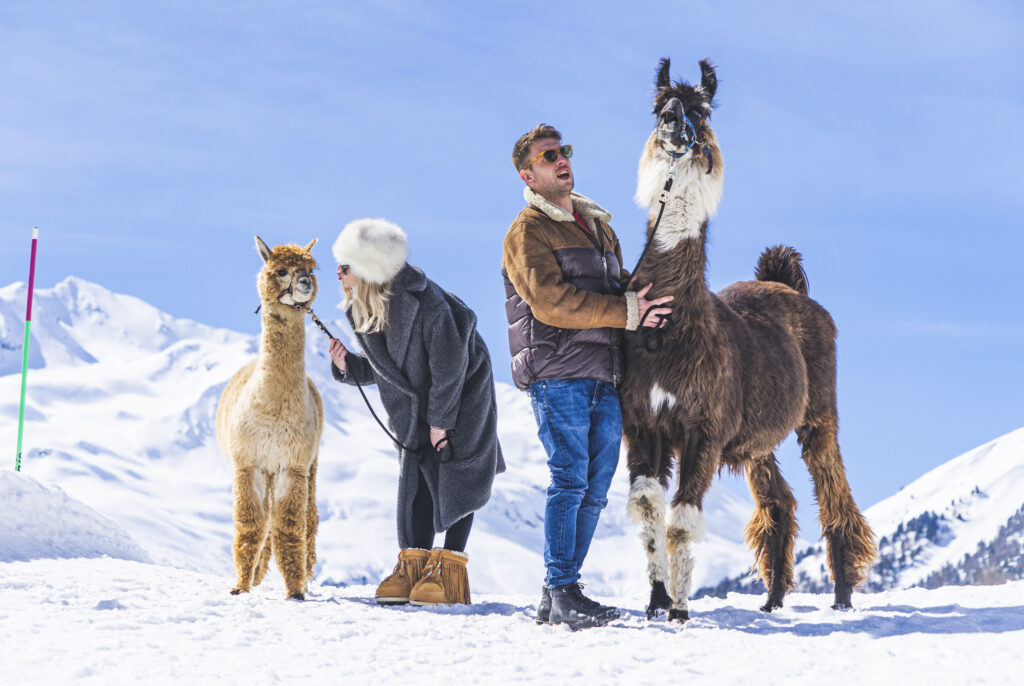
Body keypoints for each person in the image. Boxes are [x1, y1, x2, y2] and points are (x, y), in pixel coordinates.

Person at [502, 124, 673, 629]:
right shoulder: (528, 230)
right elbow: (551, 302)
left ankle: (560, 592)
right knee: (569, 478)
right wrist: (626, 312)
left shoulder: (597, 227)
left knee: (595, 488)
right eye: (548, 156)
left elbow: (620, 288)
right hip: (558, 372)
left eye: (564, 151)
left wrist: (648, 299)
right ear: (527, 174)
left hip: (605, 372)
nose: (561, 160)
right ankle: (560, 590)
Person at [328, 217, 504, 606]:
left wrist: (442, 421)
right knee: (419, 477)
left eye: (344, 268)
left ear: (368, 269)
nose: (337, 275)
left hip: (462, 393)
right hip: (424, 401)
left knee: (455, 475)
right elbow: (390, 371)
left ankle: (449, 570)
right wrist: (347, 368)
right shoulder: (367, 308)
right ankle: (414, 564)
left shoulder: (429, 305)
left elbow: (449, 364)